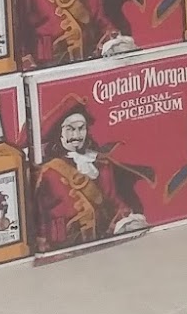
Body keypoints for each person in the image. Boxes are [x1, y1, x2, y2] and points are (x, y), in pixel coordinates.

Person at [31, 98, 151, 252]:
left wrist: (127, 221)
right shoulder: (49, 173)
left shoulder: (102, 165)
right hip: (65, 250)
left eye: (81, 128)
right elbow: (40, 218)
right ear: (59, 133)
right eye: (70, 129)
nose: (76, 135)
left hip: (102, 244)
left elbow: (115, 203)